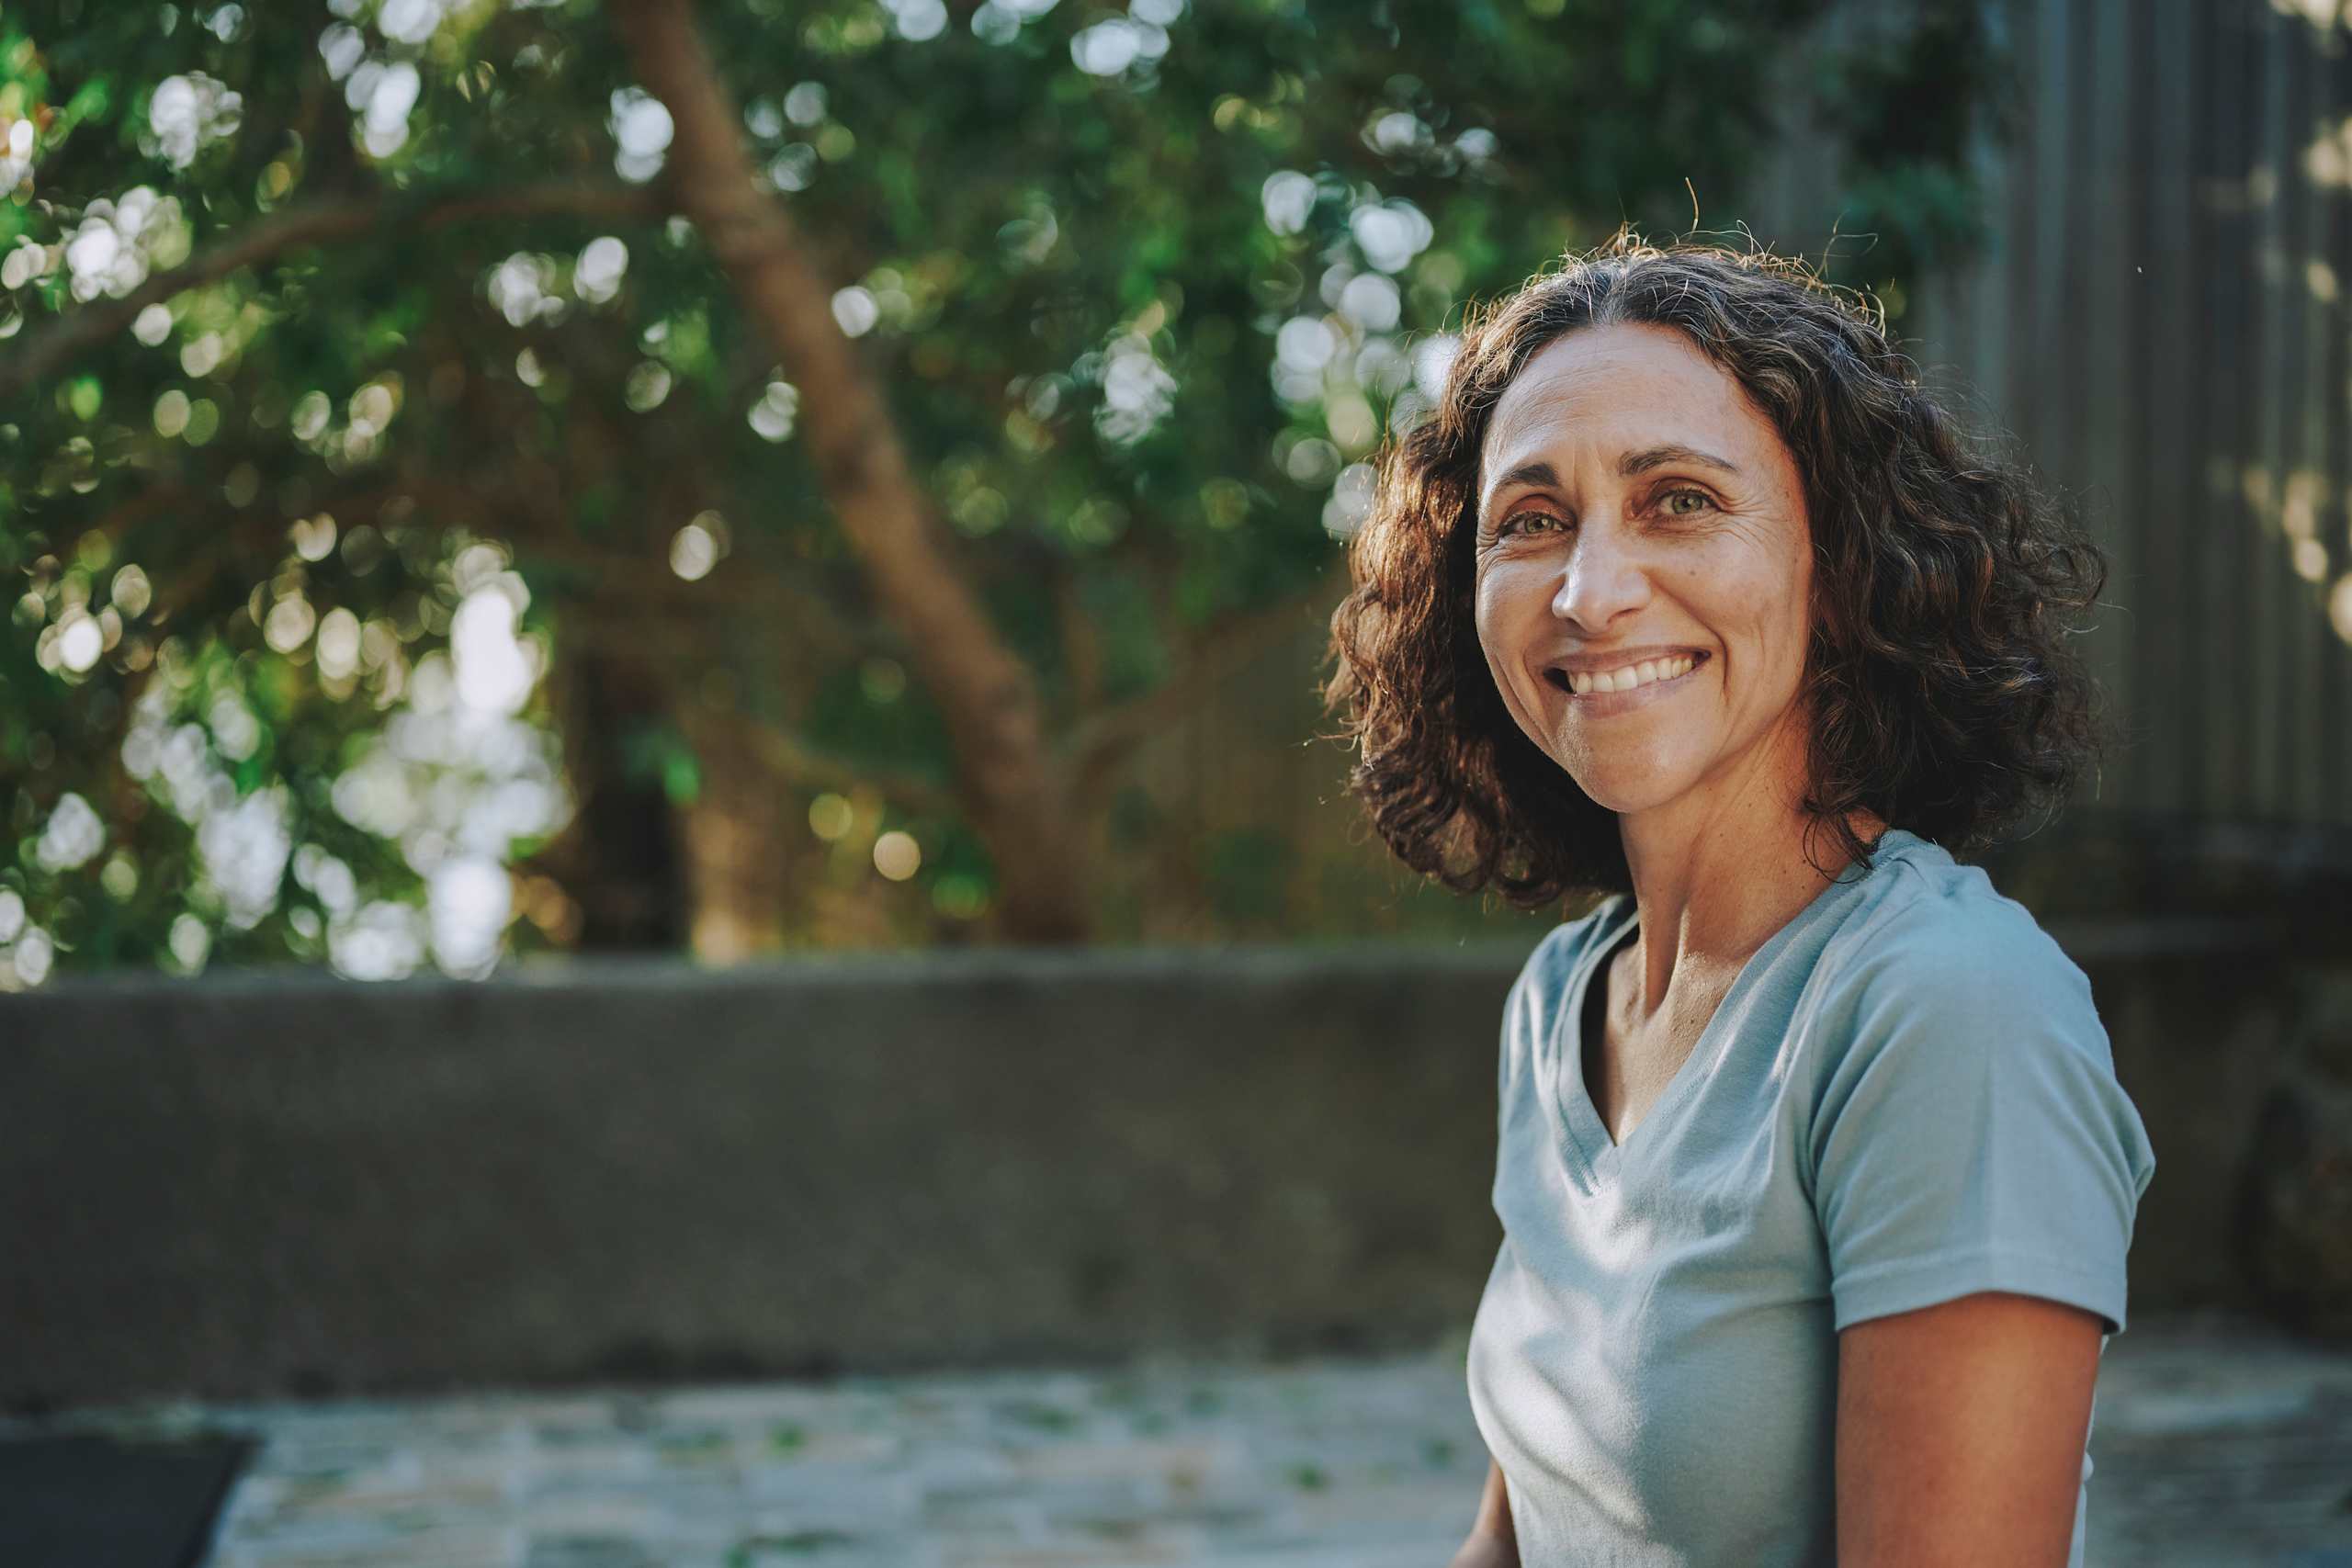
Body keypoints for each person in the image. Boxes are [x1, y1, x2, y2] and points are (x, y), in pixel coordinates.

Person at [1320, 236, 2157, 1567]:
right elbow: (1527, 1534)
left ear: (1842, 564)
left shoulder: (1947, 1015)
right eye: (1532, 521)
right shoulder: (1562, 1005)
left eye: (1679, 501)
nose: (1591, 593)